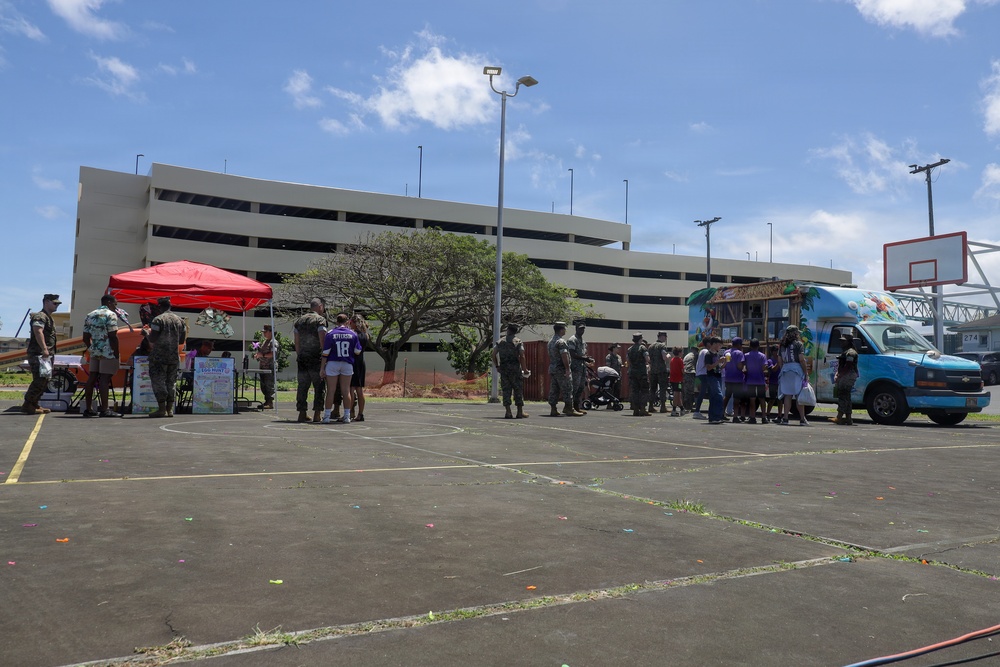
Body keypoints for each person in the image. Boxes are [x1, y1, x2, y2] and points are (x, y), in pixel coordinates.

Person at [146, 296, 187, 418]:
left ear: (159, 307)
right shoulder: (180, 320)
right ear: (170, 306)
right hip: (174, 356)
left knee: (159, 381)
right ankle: (170, 410)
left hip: (159, 357)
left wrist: (146, 334)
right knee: (171, 382)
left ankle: (161, 409)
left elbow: (152, 338)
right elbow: (181, 340)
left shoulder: (157, 320)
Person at [81, 294, 121, 418]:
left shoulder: (90, 315)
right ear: (109, 303)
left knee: (92, 377)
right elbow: (113, 336)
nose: (115, 307)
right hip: (107, 351)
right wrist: (116, 352)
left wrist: (91, 348)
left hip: (95, 350)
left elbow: (85, 337)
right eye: (115, 304)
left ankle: (88, 409)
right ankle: (105, 409)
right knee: (104, 379)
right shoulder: (110, 315)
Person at [22, 294, 61, 415]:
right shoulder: (40, 316)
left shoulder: (48, 317)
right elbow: (38, 331)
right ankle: (28, 404)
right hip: (39, 354)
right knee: (39, 380)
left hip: (45, 355)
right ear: (46, 302)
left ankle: (34, 403)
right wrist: (44, 349)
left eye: (58, 304)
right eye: (54, 303)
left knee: (45, 380)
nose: (57, 306)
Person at [320, 313, 362, 424]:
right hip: (347, 363)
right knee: (346, 390)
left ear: (336, 321)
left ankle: (327, 416)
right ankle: (347, 416)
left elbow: (325, 353)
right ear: (347, 321)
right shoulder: (352, 334)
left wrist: (322, 368)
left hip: (333, 362)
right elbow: (358, 351)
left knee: (331, 390)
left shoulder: (330, 333)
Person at [293, 297, 329, 423]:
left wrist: (300, 354)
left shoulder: (299, 321)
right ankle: (317, 414)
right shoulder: (320, 320)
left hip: (302, 358)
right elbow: (322, 340)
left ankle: (302, 413)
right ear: (320, 306)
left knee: (302, 386)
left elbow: (296, 341)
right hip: (316, 358)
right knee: (319, 386)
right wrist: (325, 356)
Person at [491, 322, 529, 419]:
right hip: (515, 369)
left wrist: (497, 366)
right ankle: (520, 412)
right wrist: (525, 369)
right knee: (518, 389)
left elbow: (493, 354)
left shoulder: (500, 342)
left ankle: (508, 412)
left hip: (504, 369)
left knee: (506, 390)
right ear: (515, 331)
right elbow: (522, 356)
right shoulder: (518, 342)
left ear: (508, 330)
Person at [777, 325, 811, 426]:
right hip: (796, 369)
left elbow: (779, 360)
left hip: (785, 369)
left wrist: (783, 368)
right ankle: (802, 419)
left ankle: (785, 418)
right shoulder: (798, 344)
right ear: (795, 333)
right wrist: (806, 373)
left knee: (787, 395)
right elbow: (801, 359)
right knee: (799, 395)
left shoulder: (782, 344)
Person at [547, 322, 581, 417]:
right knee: (568, 388)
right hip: (561, 369)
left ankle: (553, 409)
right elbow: (564, 355)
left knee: (554, 389)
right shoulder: (561, 342)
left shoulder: (551, 341)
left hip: (553, 369)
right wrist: (567, 368)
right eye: (564, 329)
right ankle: (569, 408)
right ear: (561, 330)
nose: (565, 330)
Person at [565, 321, 593, 413]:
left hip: (582, 367)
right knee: (574, 388)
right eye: (580, 328)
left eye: (583, 328)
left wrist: (587, 358)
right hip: (575, 367)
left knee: (581, 388)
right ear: (576, 328)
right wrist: (584, 358)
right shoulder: (572, 340)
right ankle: (569, 407)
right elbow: (572, 353)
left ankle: (576, 407)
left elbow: (583, 353)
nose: (582, 330)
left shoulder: (583, 341)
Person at [833, 334, 860, 425]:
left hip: (848, 375)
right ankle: (848, 418)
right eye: (841, 340)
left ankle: (839, 417)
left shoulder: (851, 352)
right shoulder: (846, 351)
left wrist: (840, 375)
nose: (841, 342)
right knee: (847, 396)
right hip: (847, 374)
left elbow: (848, 365)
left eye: (843, 341)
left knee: (843, 395)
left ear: (849, 342)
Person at [348, 313, 370, 422]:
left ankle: (349, 412)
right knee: (359, 389)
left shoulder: (352, 334)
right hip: (361, 362)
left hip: (352, 362)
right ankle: (360, 413)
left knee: (351, 388)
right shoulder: (365, 335)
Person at [741, 338, 768, 424]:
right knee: (762, 400)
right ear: (758, 346)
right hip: (760, 380)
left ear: (750, 346)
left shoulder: (746, 355)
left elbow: (743, 366)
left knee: (752, 400)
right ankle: (764, 417)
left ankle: (752, 417)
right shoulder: (762, 356)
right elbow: (764, 367)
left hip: (750, 380)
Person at [722, 337, 746, 423]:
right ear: (739, 344)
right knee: (736, 398)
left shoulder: (726, 352)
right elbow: (739, 367)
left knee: (727, 396)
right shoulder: (739, 353)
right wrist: (743, 365)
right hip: (737, 379)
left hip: (728, 377)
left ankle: (722, 413)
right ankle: (735, 416)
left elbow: (725, 364)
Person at [626, 332, 651, 417]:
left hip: (633, 373)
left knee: (635, 391)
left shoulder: (630, 349)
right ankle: (643, 409)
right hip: (642, 373)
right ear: (640, 339)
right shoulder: (642, 348)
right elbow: (647, 359)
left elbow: (628, 361)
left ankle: (635, 409)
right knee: (644, 390)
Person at [703, 336, 727, 424]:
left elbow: (720, 367)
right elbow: (708, 367)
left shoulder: (717, 355)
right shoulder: (708, 354)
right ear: (714, 344)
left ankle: (713, 417)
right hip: (711, 376)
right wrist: (718, 362)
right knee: (718, 396)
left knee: (713, 397)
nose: (720, 347)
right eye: (719, 345)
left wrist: (725, 362)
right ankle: (717, 416)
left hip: (718, 376)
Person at [255, 324, 278, 410]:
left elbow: (273, 354)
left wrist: (263, 354)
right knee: (263, 386)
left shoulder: (273, 342)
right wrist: (258, 355)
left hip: (269, 367)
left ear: (270, 332)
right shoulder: (265, 342)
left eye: (265, 332)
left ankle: (270, 402)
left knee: (269, 385)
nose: (264, 334)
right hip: (263, 367)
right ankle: (267, 401)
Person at [647, 331, 670, 414]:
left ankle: (650, 406)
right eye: (665, 336)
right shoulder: (662, 346)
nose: (666, 338)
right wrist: (668, 356)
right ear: (662, 336)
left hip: (653, 370)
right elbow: (664, 357)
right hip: (661, 370)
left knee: (652, 389)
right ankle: (663, 407)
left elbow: (648, 359)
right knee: (663, 388)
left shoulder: (651, 346)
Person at [691, 344, 710, 420]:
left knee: (701, 393)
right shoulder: (706, 352)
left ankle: (697, 410)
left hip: (699, 373)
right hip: (704, 373)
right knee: (703, 393)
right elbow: (707, 364)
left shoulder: (702, 351)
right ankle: (697, 410)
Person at [764, 345, 781, 422]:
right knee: (772, 399)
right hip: (773, 382)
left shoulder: (782, 360)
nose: (777, 353)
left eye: (778, 351)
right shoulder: (770, 361)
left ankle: (780, 416)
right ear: (772, 352)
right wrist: (778, 362)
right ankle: (768, 414)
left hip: (780, 382)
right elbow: (773, 369)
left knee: (780, 400)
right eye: (775, 351)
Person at [669, 346, 685, 416]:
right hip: (678, 379)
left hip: (672, 379)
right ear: (679, 353)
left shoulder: (672, 360)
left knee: (678, 394)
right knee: (677, 394)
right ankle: (674, 409)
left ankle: (682, 408)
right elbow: (682, 371)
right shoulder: (680, 360)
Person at [682, 346, 698, 412]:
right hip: (690, 373)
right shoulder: (694, 355)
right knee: (690, 391)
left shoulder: (687, 355)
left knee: (685, 391)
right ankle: (689, 407)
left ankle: (685, 406)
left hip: (685, 373)